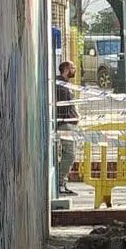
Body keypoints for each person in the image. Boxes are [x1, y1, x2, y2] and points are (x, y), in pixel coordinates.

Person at [54, 60, 79, 196]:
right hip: (65, 124)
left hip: (69, 124)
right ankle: (60, 183)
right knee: (69, 154)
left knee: (69, 154)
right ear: (65, 69)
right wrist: (72, 116)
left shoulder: (65, 85)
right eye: (72, 68)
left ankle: (62, 183)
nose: (74, 70)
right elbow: (64, 107)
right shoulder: (61, 86)